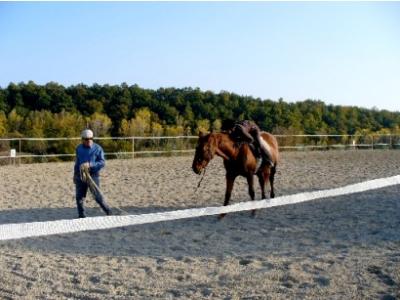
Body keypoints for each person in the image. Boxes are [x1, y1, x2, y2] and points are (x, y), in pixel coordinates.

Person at [73, 129, 112, 218]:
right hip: (80, 174)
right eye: (86, 139)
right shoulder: (79, 148)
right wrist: (75, 175)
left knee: (97, 197)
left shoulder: (98, 149)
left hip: (93, 175)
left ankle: (109, 212)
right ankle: (81, 216)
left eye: (91, 138)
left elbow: (102, 162)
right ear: (82, 139)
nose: (89, 140)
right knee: (79, 197)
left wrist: (90, 164)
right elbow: (77, 162)